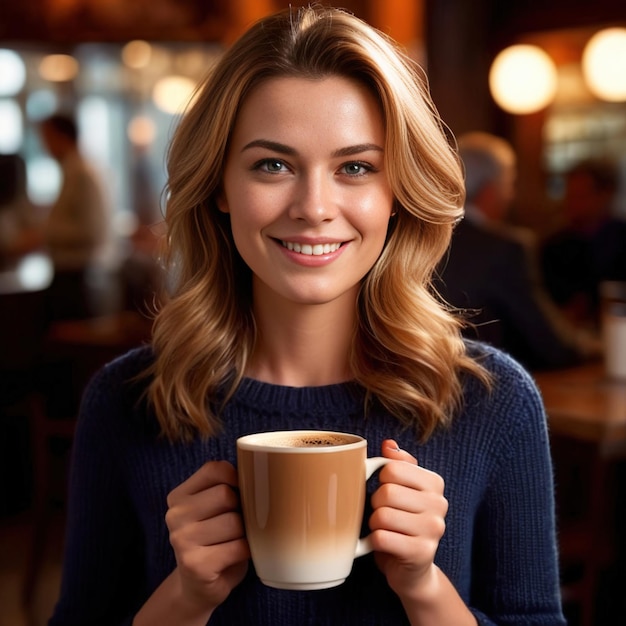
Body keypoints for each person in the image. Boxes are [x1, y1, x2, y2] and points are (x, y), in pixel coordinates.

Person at [49, 7, 566, 625]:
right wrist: (185, 598)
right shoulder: (129, 401)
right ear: (219, 183)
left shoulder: (493, 401)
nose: (314, 207)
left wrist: (426, 588)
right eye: (273, 164)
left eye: (355, 167)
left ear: (397, 190)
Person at [437, 131, 599, 371]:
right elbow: (550, 343)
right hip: (480, 390)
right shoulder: (504, 248)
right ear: (491, 190)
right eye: (509, 183)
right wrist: (597, 347)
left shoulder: (421, 237)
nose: (511, 194)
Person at [39, 112, 115, 320]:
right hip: (73, 273)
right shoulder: (74, 171)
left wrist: (46, 232)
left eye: (47, 138)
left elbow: (92, 230)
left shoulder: (82, 173)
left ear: (63, 137)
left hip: (79, 275)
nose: (44, 146)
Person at [541, 157, 626, 327]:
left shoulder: (622, 238)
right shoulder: (553, 246)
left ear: (605, 195)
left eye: (581, 195)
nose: (571, 202)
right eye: (569, 194)